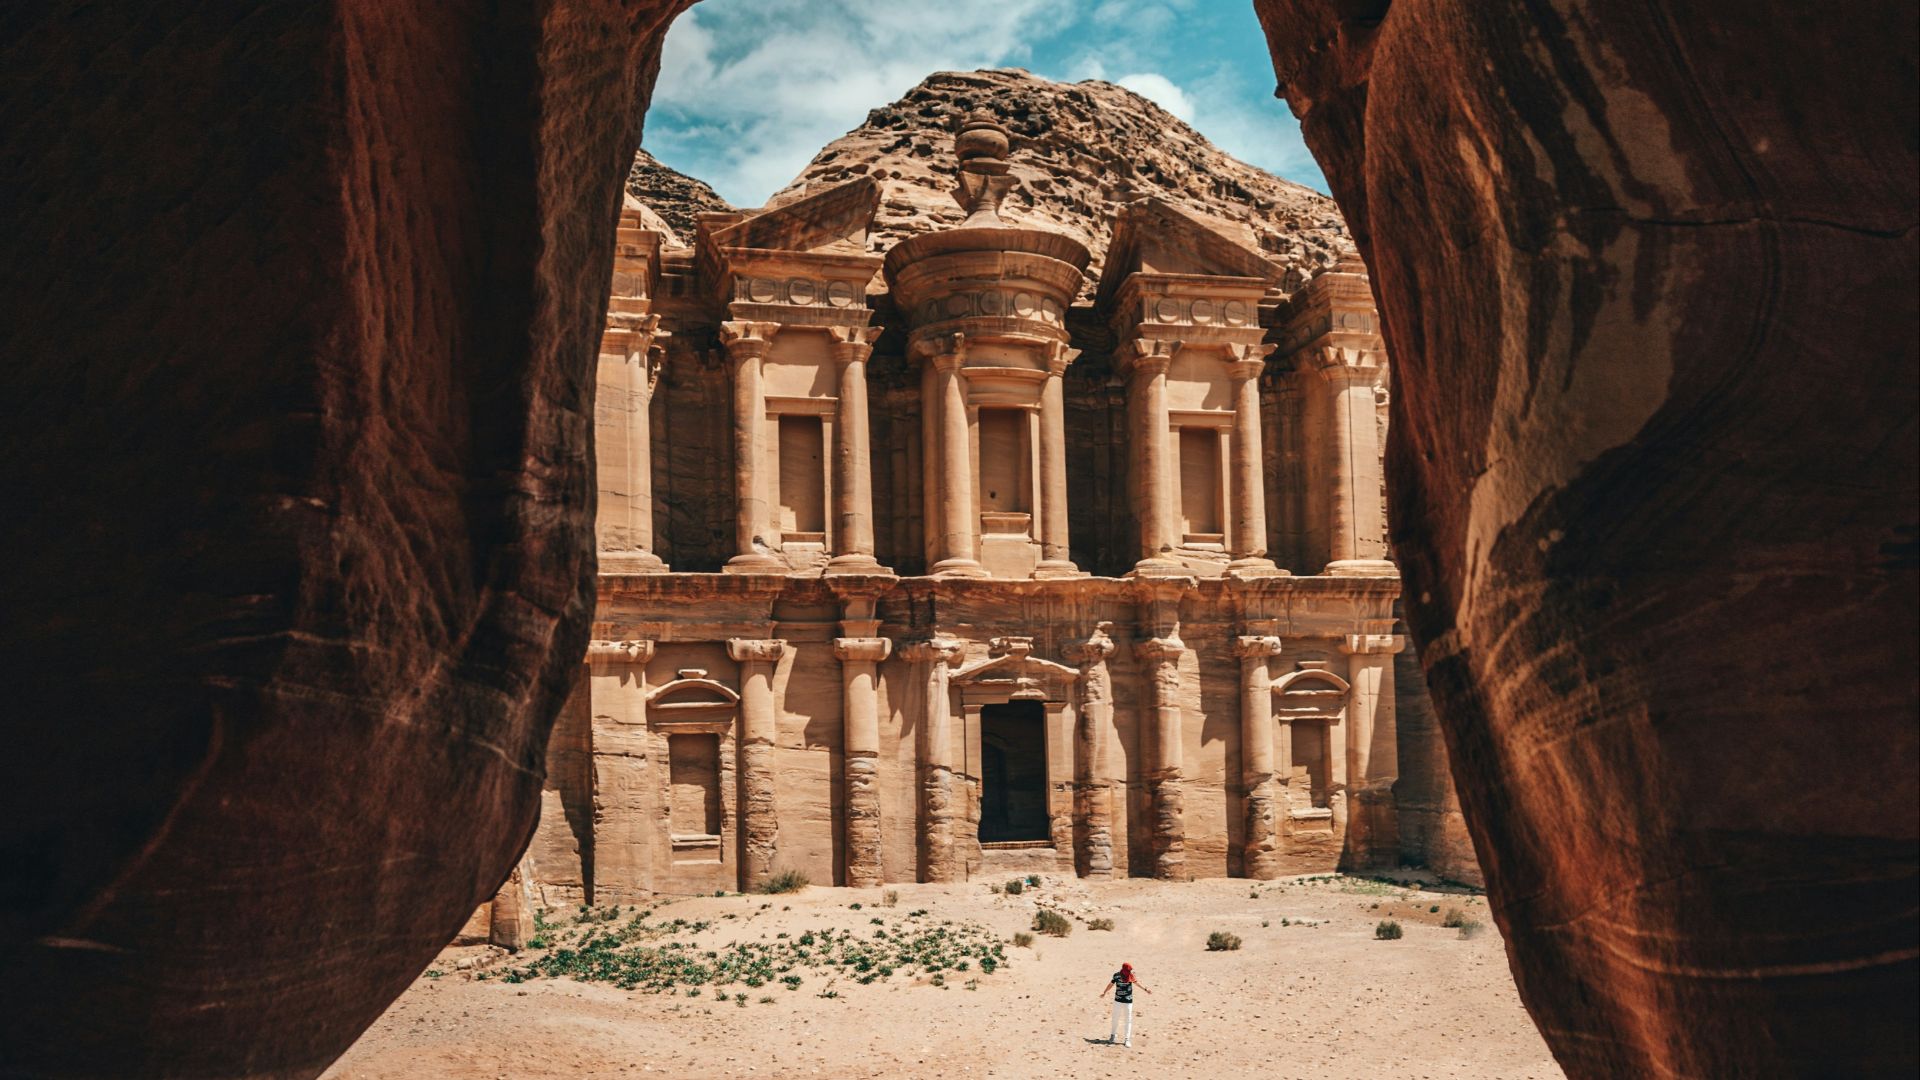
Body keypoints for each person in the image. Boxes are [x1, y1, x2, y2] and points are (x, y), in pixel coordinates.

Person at [1095, 961, 1150, 1047]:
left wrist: (1145, 989)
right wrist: (1104, 992)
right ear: (1123, 970)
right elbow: (1111, 984)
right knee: (1115, 1019)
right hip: (1118, 1001)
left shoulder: (1131, 975)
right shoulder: (1116, 975)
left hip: (1128, 1001)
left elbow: (1137, 983)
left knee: (1128, 1020)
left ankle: (1127, 1039)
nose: (1129, 972)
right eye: (1128, 971)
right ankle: (1112, 1036)